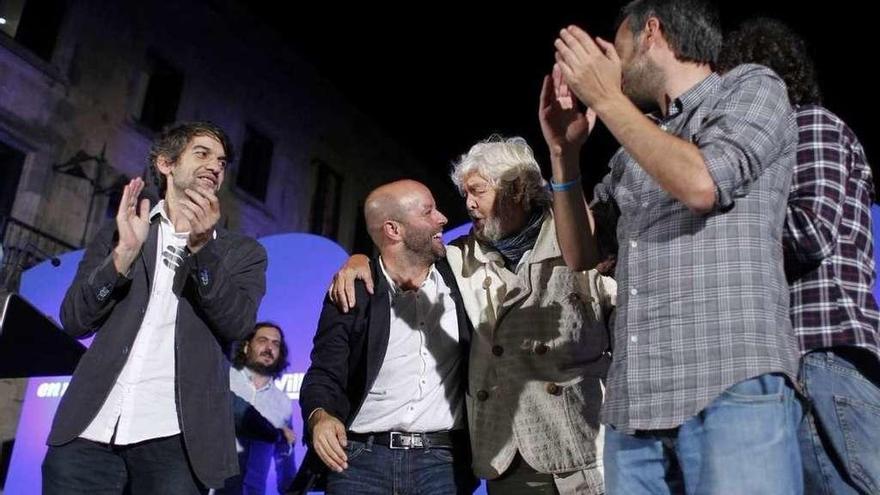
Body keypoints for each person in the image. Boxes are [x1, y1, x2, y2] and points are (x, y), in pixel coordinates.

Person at [545, 0, 802, 492]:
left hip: (730, 384)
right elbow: (581, 253)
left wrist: (608, 100)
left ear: (651, 33)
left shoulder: (749, 87)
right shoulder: (632, 151)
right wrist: (565, 155)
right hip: (634, 409)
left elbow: (703, 183)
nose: (609, 69)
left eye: (614, 50)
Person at [43, 121, 268, 494]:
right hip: (89, 431)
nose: (216, 166)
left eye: (222, 162)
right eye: (202, 153)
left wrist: (202, 252)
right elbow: (74, 320)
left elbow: (238, 324)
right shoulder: (121, 232)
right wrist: (122, 257)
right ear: (166, 163)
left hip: (176, 443)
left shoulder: (242, 253)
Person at [719, 18, 880, 495]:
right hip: (785, 368)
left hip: (819, 358)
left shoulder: (807, 125)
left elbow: (809, 232)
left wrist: (720, 212)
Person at [296, 180, 477, 494]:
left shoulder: (463, 278)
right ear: (393, 230)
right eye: (428, 211)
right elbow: (324, 372)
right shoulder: (353, 291)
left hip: (443, 465)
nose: (443, 218)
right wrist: (320, 416)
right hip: (358, 463)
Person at [221, 322, 297, 494]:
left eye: (275, 344)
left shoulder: (283, 402)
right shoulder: (225, 378)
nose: (269, 347)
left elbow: (284, 459)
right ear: (246, 347)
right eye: (262, 340)